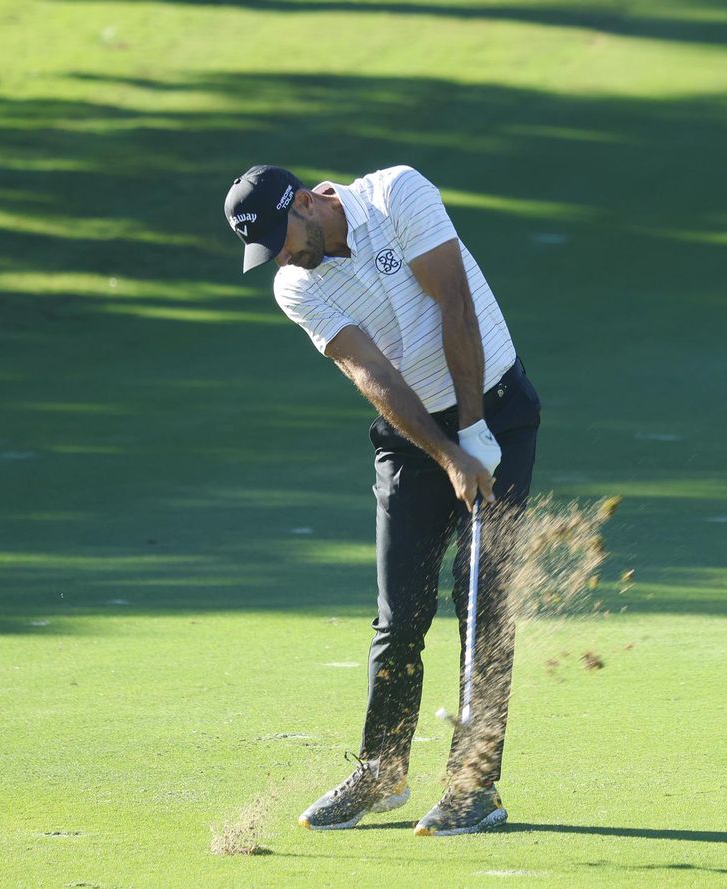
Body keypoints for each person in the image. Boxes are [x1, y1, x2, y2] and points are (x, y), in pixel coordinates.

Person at [223, 164, 540, 836]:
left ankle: (473, 786)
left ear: (307, 202)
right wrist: (448, 451)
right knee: (399, 613)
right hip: (413, 436)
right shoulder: (295, 285)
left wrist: (476, 430)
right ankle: (381, 769)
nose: (284, 255)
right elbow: (373, 373)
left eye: (283, 236)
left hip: (498, 407)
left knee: (481, 598)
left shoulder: (398, 195)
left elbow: (454, 302)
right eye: (270, 250)